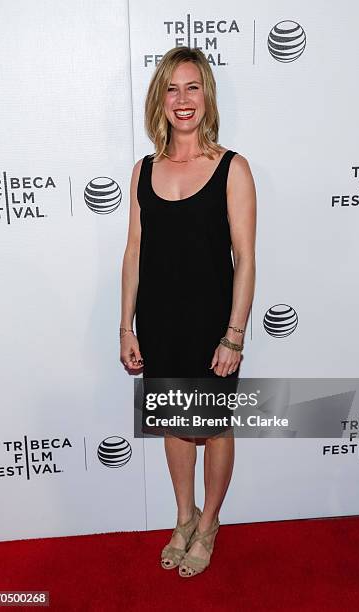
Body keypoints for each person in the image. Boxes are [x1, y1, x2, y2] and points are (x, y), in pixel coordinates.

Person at [120, 46, 256, 577]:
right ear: (161, 98)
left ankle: (211, 521)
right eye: (173, 88)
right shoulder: (143, 170)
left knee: (215, 427)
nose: (183, 99)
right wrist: (125, 325)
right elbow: (133, 254)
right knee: (177, 425)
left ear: (207, 96)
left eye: (193, 87)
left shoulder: (232, 168)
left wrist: (235, 335)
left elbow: (244, 258)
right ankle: (184, 516)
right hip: (158, 321)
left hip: (212, 327)